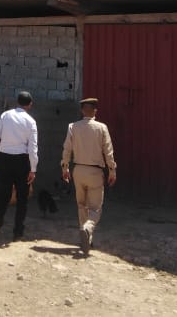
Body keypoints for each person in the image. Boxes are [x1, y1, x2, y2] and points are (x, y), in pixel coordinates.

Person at [60, 97, 117, 255]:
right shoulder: (101, 128)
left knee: (81, 205)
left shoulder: (72, 127)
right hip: (94, 172)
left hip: (78, 170)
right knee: (95, 208)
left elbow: (67, 149)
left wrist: (65, 167)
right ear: (95, 111)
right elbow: (108, 151)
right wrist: (112, 170)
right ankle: (88, 228)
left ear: (81, 111)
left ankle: (86, 238)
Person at [0, 90, 38, 242]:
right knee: (22, 198)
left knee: (3, 193)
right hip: (22, 160)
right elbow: (33, 148)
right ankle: (18, 232)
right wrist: (33, 169)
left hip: (4, 158)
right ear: (30, 104)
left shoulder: (5, 115)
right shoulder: (31, 121)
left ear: (17, 102)